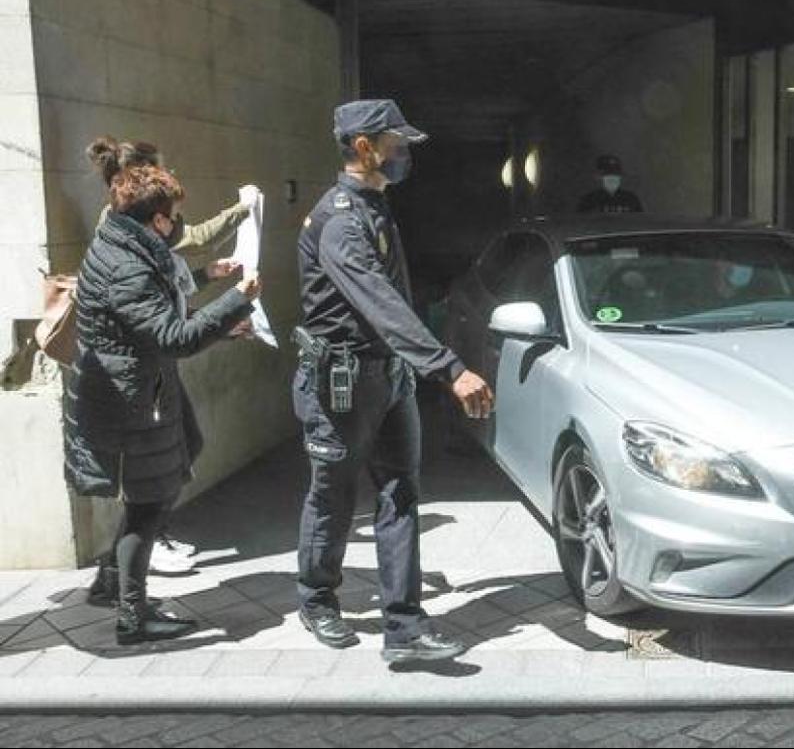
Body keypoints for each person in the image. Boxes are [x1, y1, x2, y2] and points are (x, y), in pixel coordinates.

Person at [293, 98, 494, 664]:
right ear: (365, 148)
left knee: (400, 492)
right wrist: (449, 368)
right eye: (396, 143)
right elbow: (380, 303)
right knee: (332, 497)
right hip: (342, 382)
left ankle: (404, 627)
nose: (405, 152)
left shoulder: (374, 205)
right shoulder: (338, 220)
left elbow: (397, 296)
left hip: (390, 375)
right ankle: (316, 600)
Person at [64, 165, 261, 643]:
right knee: (148, 503)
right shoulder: (128, 264)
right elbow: (172, 337)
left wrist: (218, 314)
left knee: (182, 456)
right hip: (132, 401)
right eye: (173, 216)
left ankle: (116, 579)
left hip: (142, 389)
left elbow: (153, 312)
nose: (177, 223)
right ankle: (131, 613)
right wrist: (236, 300)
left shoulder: (121, 244)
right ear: (156, 221)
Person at [576, 154, 643, 213]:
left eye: (615, 175)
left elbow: (641, 223)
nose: (612, 178)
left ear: (620, 177)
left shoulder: (631, 199)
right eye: (607, 175)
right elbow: (579, 224)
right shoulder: (588, 201)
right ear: (598, 177)